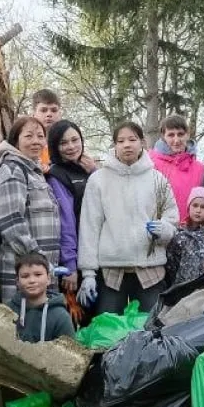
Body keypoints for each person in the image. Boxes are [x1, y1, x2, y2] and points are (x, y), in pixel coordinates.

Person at [77, 120, 179, 315]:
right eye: (121, 140)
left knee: (151, 327)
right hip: (111, 273)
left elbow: (172, 217)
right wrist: (88, 273)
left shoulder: (157, 179)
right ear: (114, 145)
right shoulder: (98, 180)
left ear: (142, 143)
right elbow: (89, 227)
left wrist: (165, 230)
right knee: (108, 328)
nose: (127, 145)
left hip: (151, 271)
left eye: (132, 139)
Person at [0, 116, 61, 302]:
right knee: (21, 320)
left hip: (42, 271)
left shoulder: (34, 171)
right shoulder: (13, 171)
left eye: (40, 136)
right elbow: (12, 224)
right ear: (16, 141)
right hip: (23, 271)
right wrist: (39, 260)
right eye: (29, 136)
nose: (36, 141)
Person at [45, 120, 93, 297]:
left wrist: (94, 171)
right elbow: (66, 222)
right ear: (54, 147)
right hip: (74, 260)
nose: (71, 146)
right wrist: (70, 264)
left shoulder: (87, 169)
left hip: (93, 256)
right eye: (63, 143)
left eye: (75, 140)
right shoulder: (56, 175)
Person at [150, 113, 204, 221]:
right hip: (161, 227)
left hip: (190, 229)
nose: (176, 140)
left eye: (180, 134)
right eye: (171, 135)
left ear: (187, 135)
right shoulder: (151, 164)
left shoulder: (200, 169)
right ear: (163, 137)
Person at [166, 186, 204, 288]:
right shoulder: (179, 234)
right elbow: (171, 264)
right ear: (189, 207)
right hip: (181, 288)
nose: (198, 210)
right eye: (195, 205)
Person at [10, 252, 75, 343]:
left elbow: (70, 350)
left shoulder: (61, 316)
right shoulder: (8, 310)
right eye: (25, 276)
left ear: (48, 279)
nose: (32, 280)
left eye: (38, 275)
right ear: (17, 282)